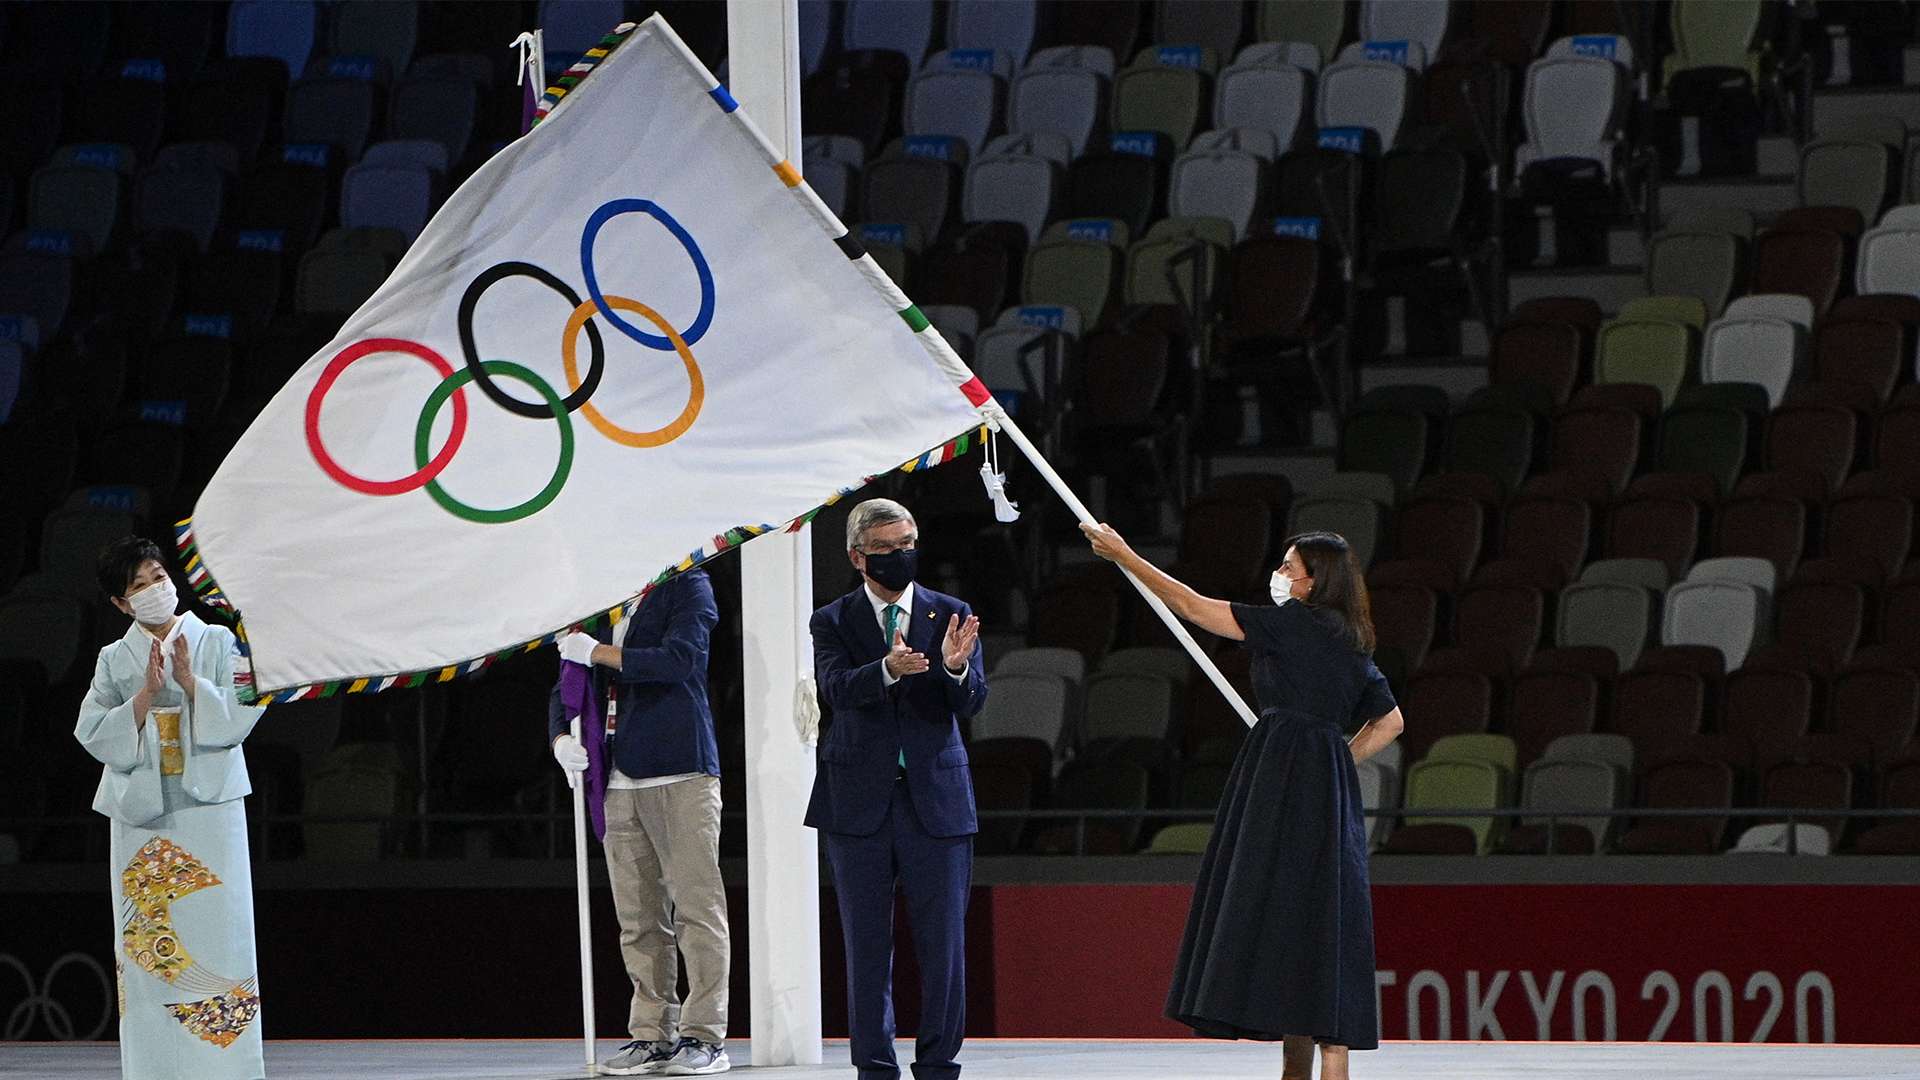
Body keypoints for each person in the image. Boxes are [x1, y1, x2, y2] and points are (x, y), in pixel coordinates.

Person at [1082, 523, 1405, 1080]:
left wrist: (1125, 554)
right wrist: (1334, 758)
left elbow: (1190, 604)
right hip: (1324, 776)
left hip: (1281, 770)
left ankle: (1304, 1066)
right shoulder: (1353, 640)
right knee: (1320, 911)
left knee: (1279, 906)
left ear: (1311, 582)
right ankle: (1315, 1064)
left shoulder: (1290, 624)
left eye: (1287, 568)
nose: (1278, 576)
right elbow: (1392, 721)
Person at [805, 498, 985, 1080]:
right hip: (857, 801)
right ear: (859, 557)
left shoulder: (949, 613)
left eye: (909, 545)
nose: (902, 556)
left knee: (944, 946)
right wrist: (887, 669)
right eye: (887, 550)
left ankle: (938, 1064)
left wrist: (954, 669)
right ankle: (874, 1068)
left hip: (936, 799)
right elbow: (834, 688)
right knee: (864, 945)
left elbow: (972, 700)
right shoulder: (832, 620)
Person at [74, 536, 267, 1080]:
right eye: (139, 586)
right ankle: (154, 1067)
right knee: (147, 942)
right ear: (120, 604)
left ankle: (227, 1069)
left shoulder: (217, 641)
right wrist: (143, 696)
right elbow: (89, 730)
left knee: (220, 932)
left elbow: (243, 711)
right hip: (142, 815)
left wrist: (189, 683)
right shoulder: (115, 659)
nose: (155, 590)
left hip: (211, 806)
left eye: (158, 578)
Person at [548, 567, 731, 1076]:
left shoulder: (687, 585)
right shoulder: (599, 593)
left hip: (680, 767)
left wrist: (600, 653)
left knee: (696, 909)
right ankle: (652, 1035)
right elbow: (568, 677)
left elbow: (681, 659)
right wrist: (560, 737)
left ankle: (705, 1036)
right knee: (638, 917)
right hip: (614, 775)